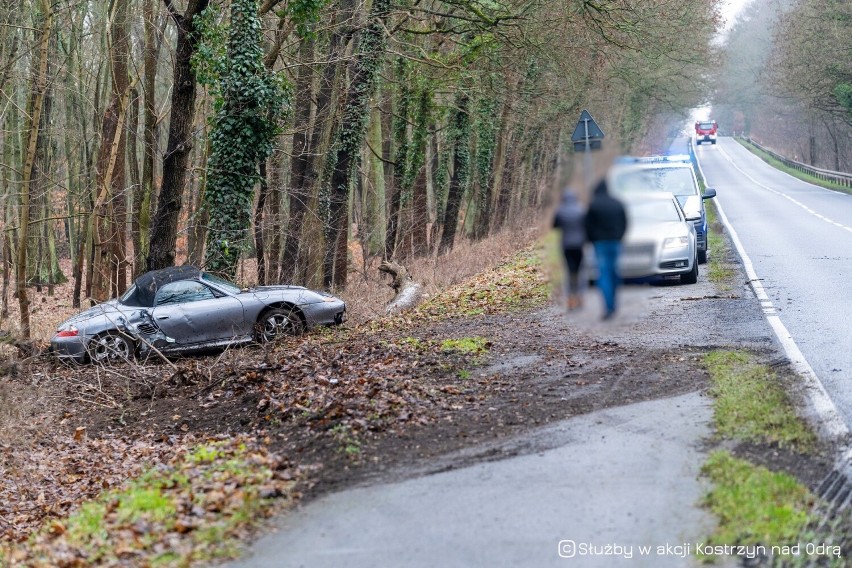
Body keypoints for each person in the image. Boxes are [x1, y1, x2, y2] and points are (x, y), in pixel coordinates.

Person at [584, 178, 627, 320]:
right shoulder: (617, 203)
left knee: (604, 275)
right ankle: (614, 303)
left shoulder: (594, 205)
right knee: (614, 273)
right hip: (615, 242)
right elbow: (625, 222)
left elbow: (587, 226)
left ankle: (608, 307)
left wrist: (592, 240)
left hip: (600, 244)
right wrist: (620, 237)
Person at [552, 189, 586, 310]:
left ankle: (570, 299)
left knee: (569, 272)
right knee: (580, 271)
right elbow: (586, 225)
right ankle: (580, 297)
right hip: (579, 245)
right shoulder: (581, 209)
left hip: (566, 245)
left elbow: (554, 226)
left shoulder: (560, 210)